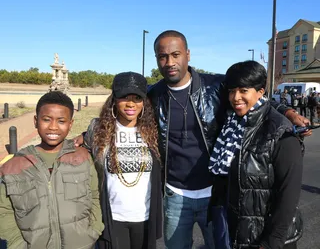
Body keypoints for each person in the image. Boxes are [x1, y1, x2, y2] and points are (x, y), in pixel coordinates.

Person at [147, 30, 310, 249]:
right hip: (175, 195)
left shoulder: (216, 86)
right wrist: (86, 136)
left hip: (215, 193)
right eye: (162, 56)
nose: (169, 62)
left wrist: (287, 112)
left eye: (176, 54)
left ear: (188, 54)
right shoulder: (153, 95)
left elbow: (253, 97)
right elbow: (120, 107)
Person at [208, 61, 303, 249]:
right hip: (239, 231)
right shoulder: (232, 124)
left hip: (267, 238)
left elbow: (288, 195)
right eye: (232, 91)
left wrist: (271, 242)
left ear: (260, 91)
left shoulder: (279, 131)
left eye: (244, 90)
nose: (236, 97)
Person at [0, 91, 104, 248]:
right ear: (36, 121)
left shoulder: (82, 158)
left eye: (61, 121)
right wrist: (17, 244)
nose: (53, 127)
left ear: (70, 124)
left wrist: (92, 233)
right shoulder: (13, 167)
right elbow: (4, 210)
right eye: (46, 120)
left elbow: (95, 196)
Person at [79, 72, 162, 249]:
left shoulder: (154, 130)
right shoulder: (98, 129)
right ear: (114, 100)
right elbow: (83, 150)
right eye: (124, 97)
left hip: (144, 216)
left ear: (144, 102)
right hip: (111, 217)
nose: (131, 103)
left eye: (137, 98)